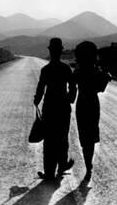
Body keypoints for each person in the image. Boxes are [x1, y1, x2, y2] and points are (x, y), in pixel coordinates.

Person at [34, 38, 76, 181]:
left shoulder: (45, 70)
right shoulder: (66, 69)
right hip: (63, 107)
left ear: (50, 51)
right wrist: (70, 98)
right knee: (62, 137)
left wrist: (36, 100)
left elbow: (40, 88)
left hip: (49, 108)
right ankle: (62, 165)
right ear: (61, 51)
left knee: (49, 139)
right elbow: (72, 87)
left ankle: (49, 172)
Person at [72, 41, 111, 179]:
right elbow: (101, 87)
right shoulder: (96, 72)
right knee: (91, 134)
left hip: (82, 103)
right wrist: (105, 73)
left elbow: (72, 88)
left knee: (84, 136)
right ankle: (89, 165)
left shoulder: (78, 72)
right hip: (93, 103)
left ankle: (88, 165)